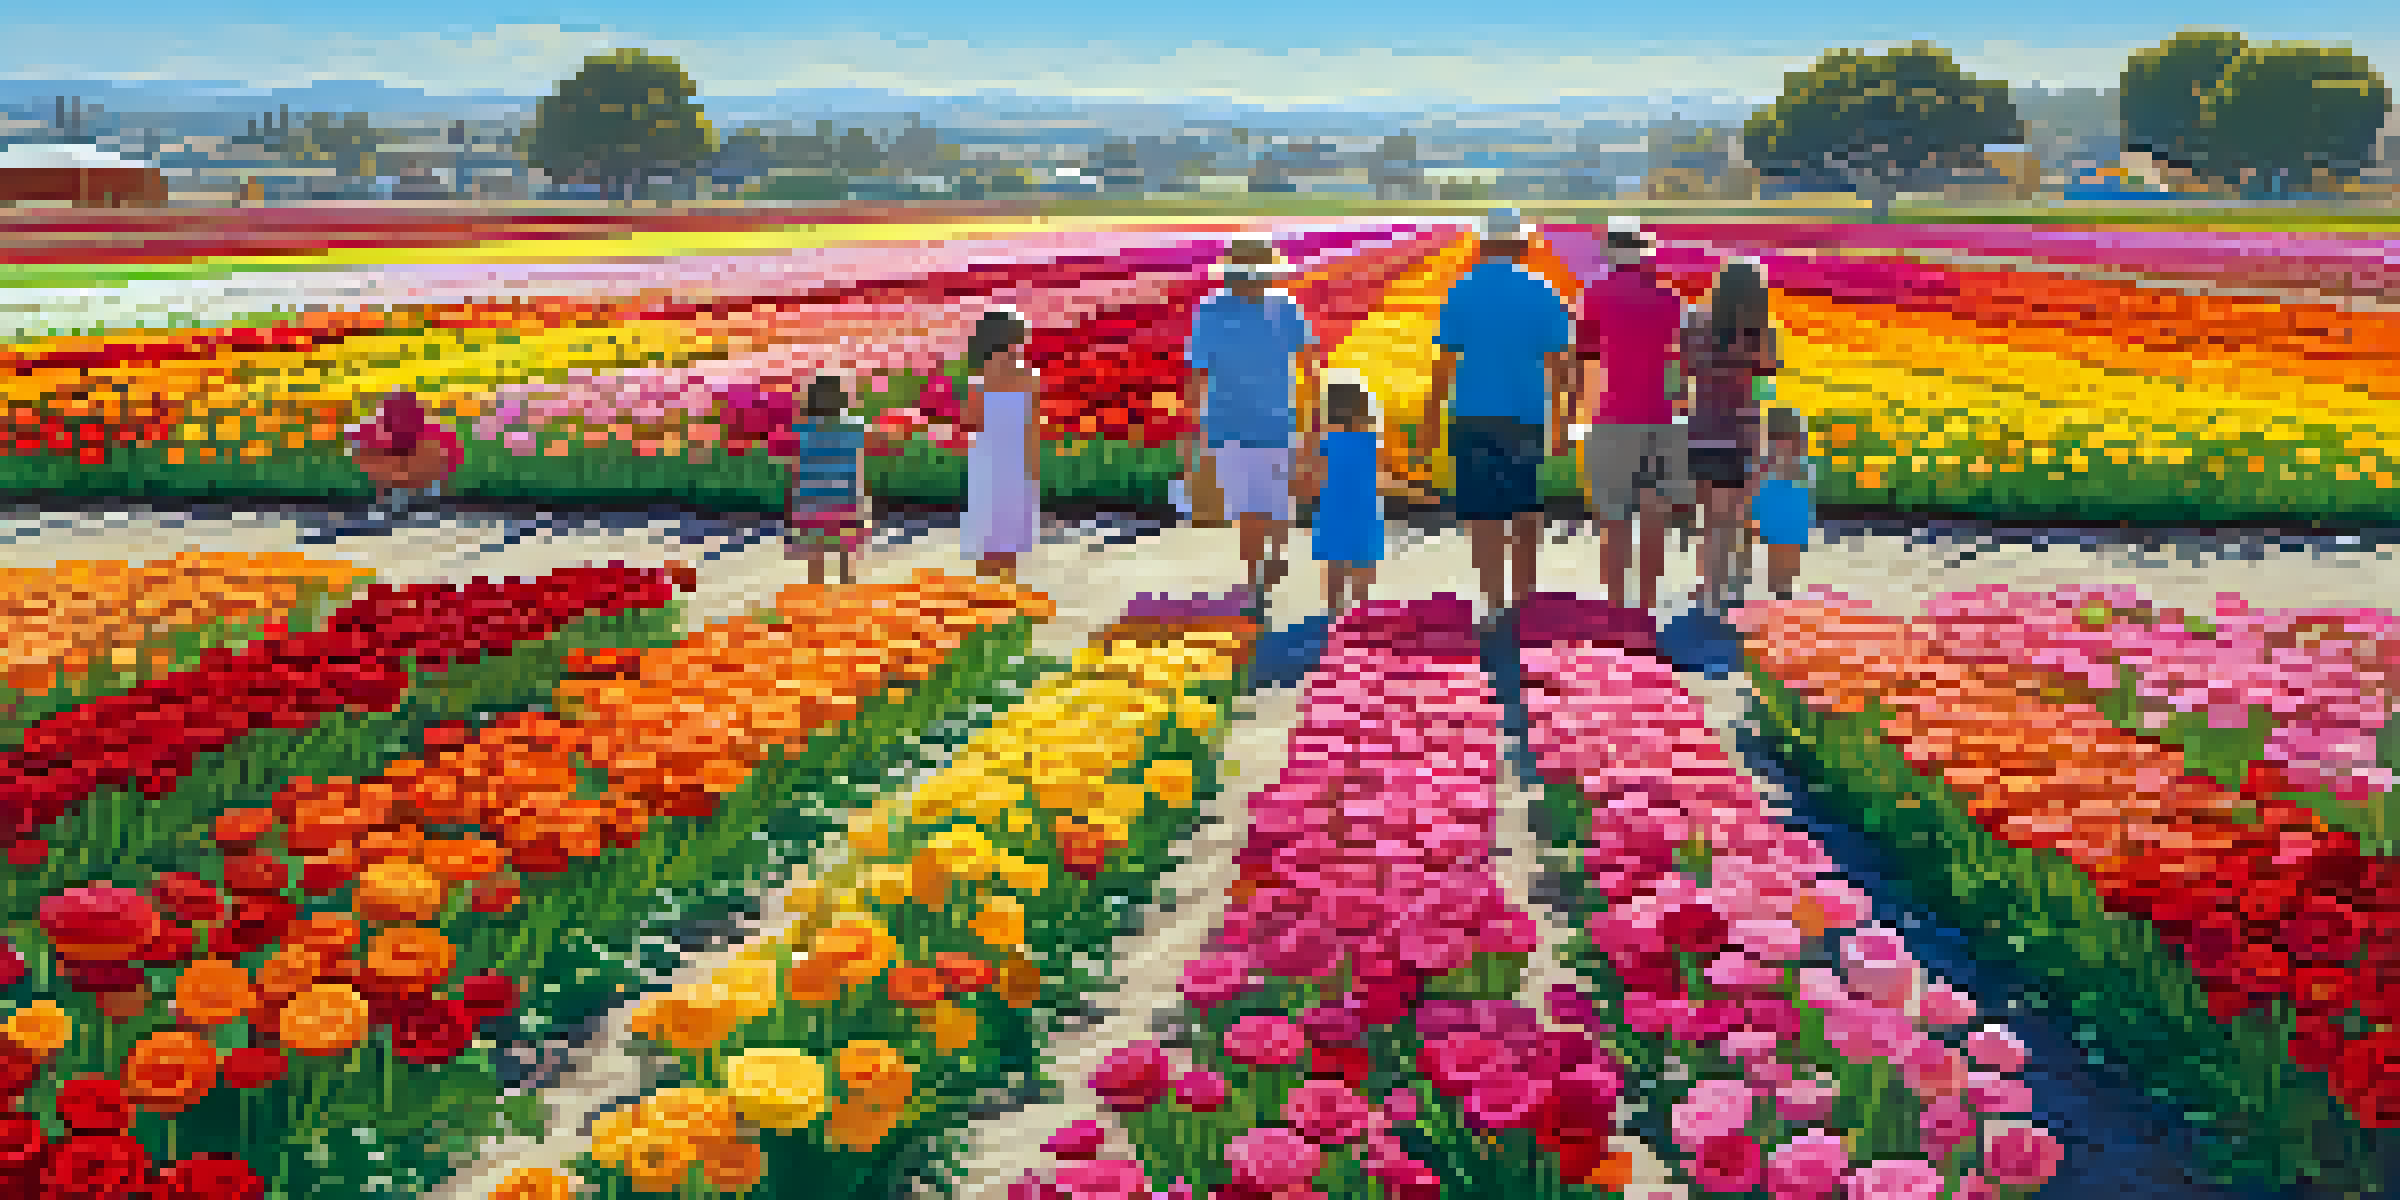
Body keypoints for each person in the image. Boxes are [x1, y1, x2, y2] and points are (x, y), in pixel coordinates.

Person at [1428, 208, 1575, 632]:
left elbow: (1444, 363)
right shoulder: (1541, 289)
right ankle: (1523, 601)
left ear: (1483, 244)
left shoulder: (1461, 290)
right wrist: (1563, 420)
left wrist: (1432, 418)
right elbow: (1560, 366)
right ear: (1521, 246)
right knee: (1524, 512)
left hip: (1471, 414)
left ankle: (1493, 605)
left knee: (1483, 515)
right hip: (1525, 416)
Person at [1184, 237, 1320, 609]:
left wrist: (1315, 421)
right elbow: (1196, 373)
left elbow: (1310, 366)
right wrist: (1192, 427)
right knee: (1247, 507)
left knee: (1274, 503)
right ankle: (1254, 578)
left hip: (1277, 424)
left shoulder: (1285, 308)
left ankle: (1272, 556)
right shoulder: (1211, 311)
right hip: (1229, 425)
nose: (1252, 284)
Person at [1572, 216, 1689, 614]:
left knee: (1613, 516)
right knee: (1655, 514)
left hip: (1611, 417)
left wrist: (1573, 410)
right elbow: (1684, 359)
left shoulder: (1595, 294)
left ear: (1610, 253)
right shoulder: (1669, 297)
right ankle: (1650, 603)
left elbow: (1583, 357)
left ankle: (1617, 605)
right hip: (1661, 415)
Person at [1679, 258, 1778, 615]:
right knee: (1737, 515)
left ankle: (1707, 589)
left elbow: (1685, 367)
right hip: (1742, 431)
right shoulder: (1759, 328)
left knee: (1709, 519)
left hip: (1701, 429)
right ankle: (1733, 588)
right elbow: (1769, 367)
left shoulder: (1695, 321)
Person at [961, 306, 1041, 584]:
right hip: (1017, 464)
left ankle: (986, 605)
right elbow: (1033, 428)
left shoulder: (979, 380)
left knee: (988, 539)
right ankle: (1007, 605)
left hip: (987, 464)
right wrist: (1035, 471)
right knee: (1010, 542)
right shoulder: (1029, 377)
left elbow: (970, 422)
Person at [1296, 373, 1384, 618]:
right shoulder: (1369, 441)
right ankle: (1360, 615)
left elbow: (1311, 476)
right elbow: (1379, 475)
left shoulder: (1325, 442)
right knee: (1363, 569)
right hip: (1363, 513)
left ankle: (1335, 614)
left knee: (1335, 568)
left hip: (1332, 513)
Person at [785, 375, 870, 586]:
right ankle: (846, 584)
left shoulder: (802, 429)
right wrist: (862, 497)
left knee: (816, 548)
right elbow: (859, 467)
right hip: (844, 495)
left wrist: (793, 497)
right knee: (845, 547)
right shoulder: (853, 427)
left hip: (811, 496)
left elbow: (796, 467)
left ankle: (816, 587)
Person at [346, 390, 462, 522]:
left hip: (421, 492)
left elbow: (452, 456)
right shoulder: (373, 437)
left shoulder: (434, 439)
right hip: (402, 494)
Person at [1750, 406, 1815, 602]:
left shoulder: (1788, 452)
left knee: (1783, 546)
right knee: (1781, 546)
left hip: (1784, 497)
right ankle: (1781, 588)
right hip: (1781, 498)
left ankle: (1781, 588)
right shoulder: (1782, 451)